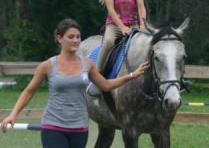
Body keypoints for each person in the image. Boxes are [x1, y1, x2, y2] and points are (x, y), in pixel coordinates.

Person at [0, 18, 149, 148]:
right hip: (53, 126)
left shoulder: (88, 64)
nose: (76, 40)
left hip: (79, 128)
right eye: (70, 37)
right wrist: (13, 114)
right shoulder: (47, 66)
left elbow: (105, 85)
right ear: (60, 39)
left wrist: (131, 75)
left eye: (78, 37)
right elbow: (29, 91)